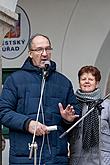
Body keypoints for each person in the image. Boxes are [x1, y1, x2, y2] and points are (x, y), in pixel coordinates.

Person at [0, 33, 80, 165]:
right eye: (39, 49)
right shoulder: (15, 80)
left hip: (55, 158)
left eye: (48, 49)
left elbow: (76, 116)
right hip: (25, 157)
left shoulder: (64, 82)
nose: (44, 53)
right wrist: (27, 124)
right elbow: (3, 112)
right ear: (30, 53)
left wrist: (68, 119)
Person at [68, 65, 110, 165]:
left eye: (91, 79)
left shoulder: (107, 105)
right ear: (79, 82)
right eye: (83, 79)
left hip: (103, 160)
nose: (87, 82)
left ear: (97, 83)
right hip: (78, 159)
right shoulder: (73, 105)